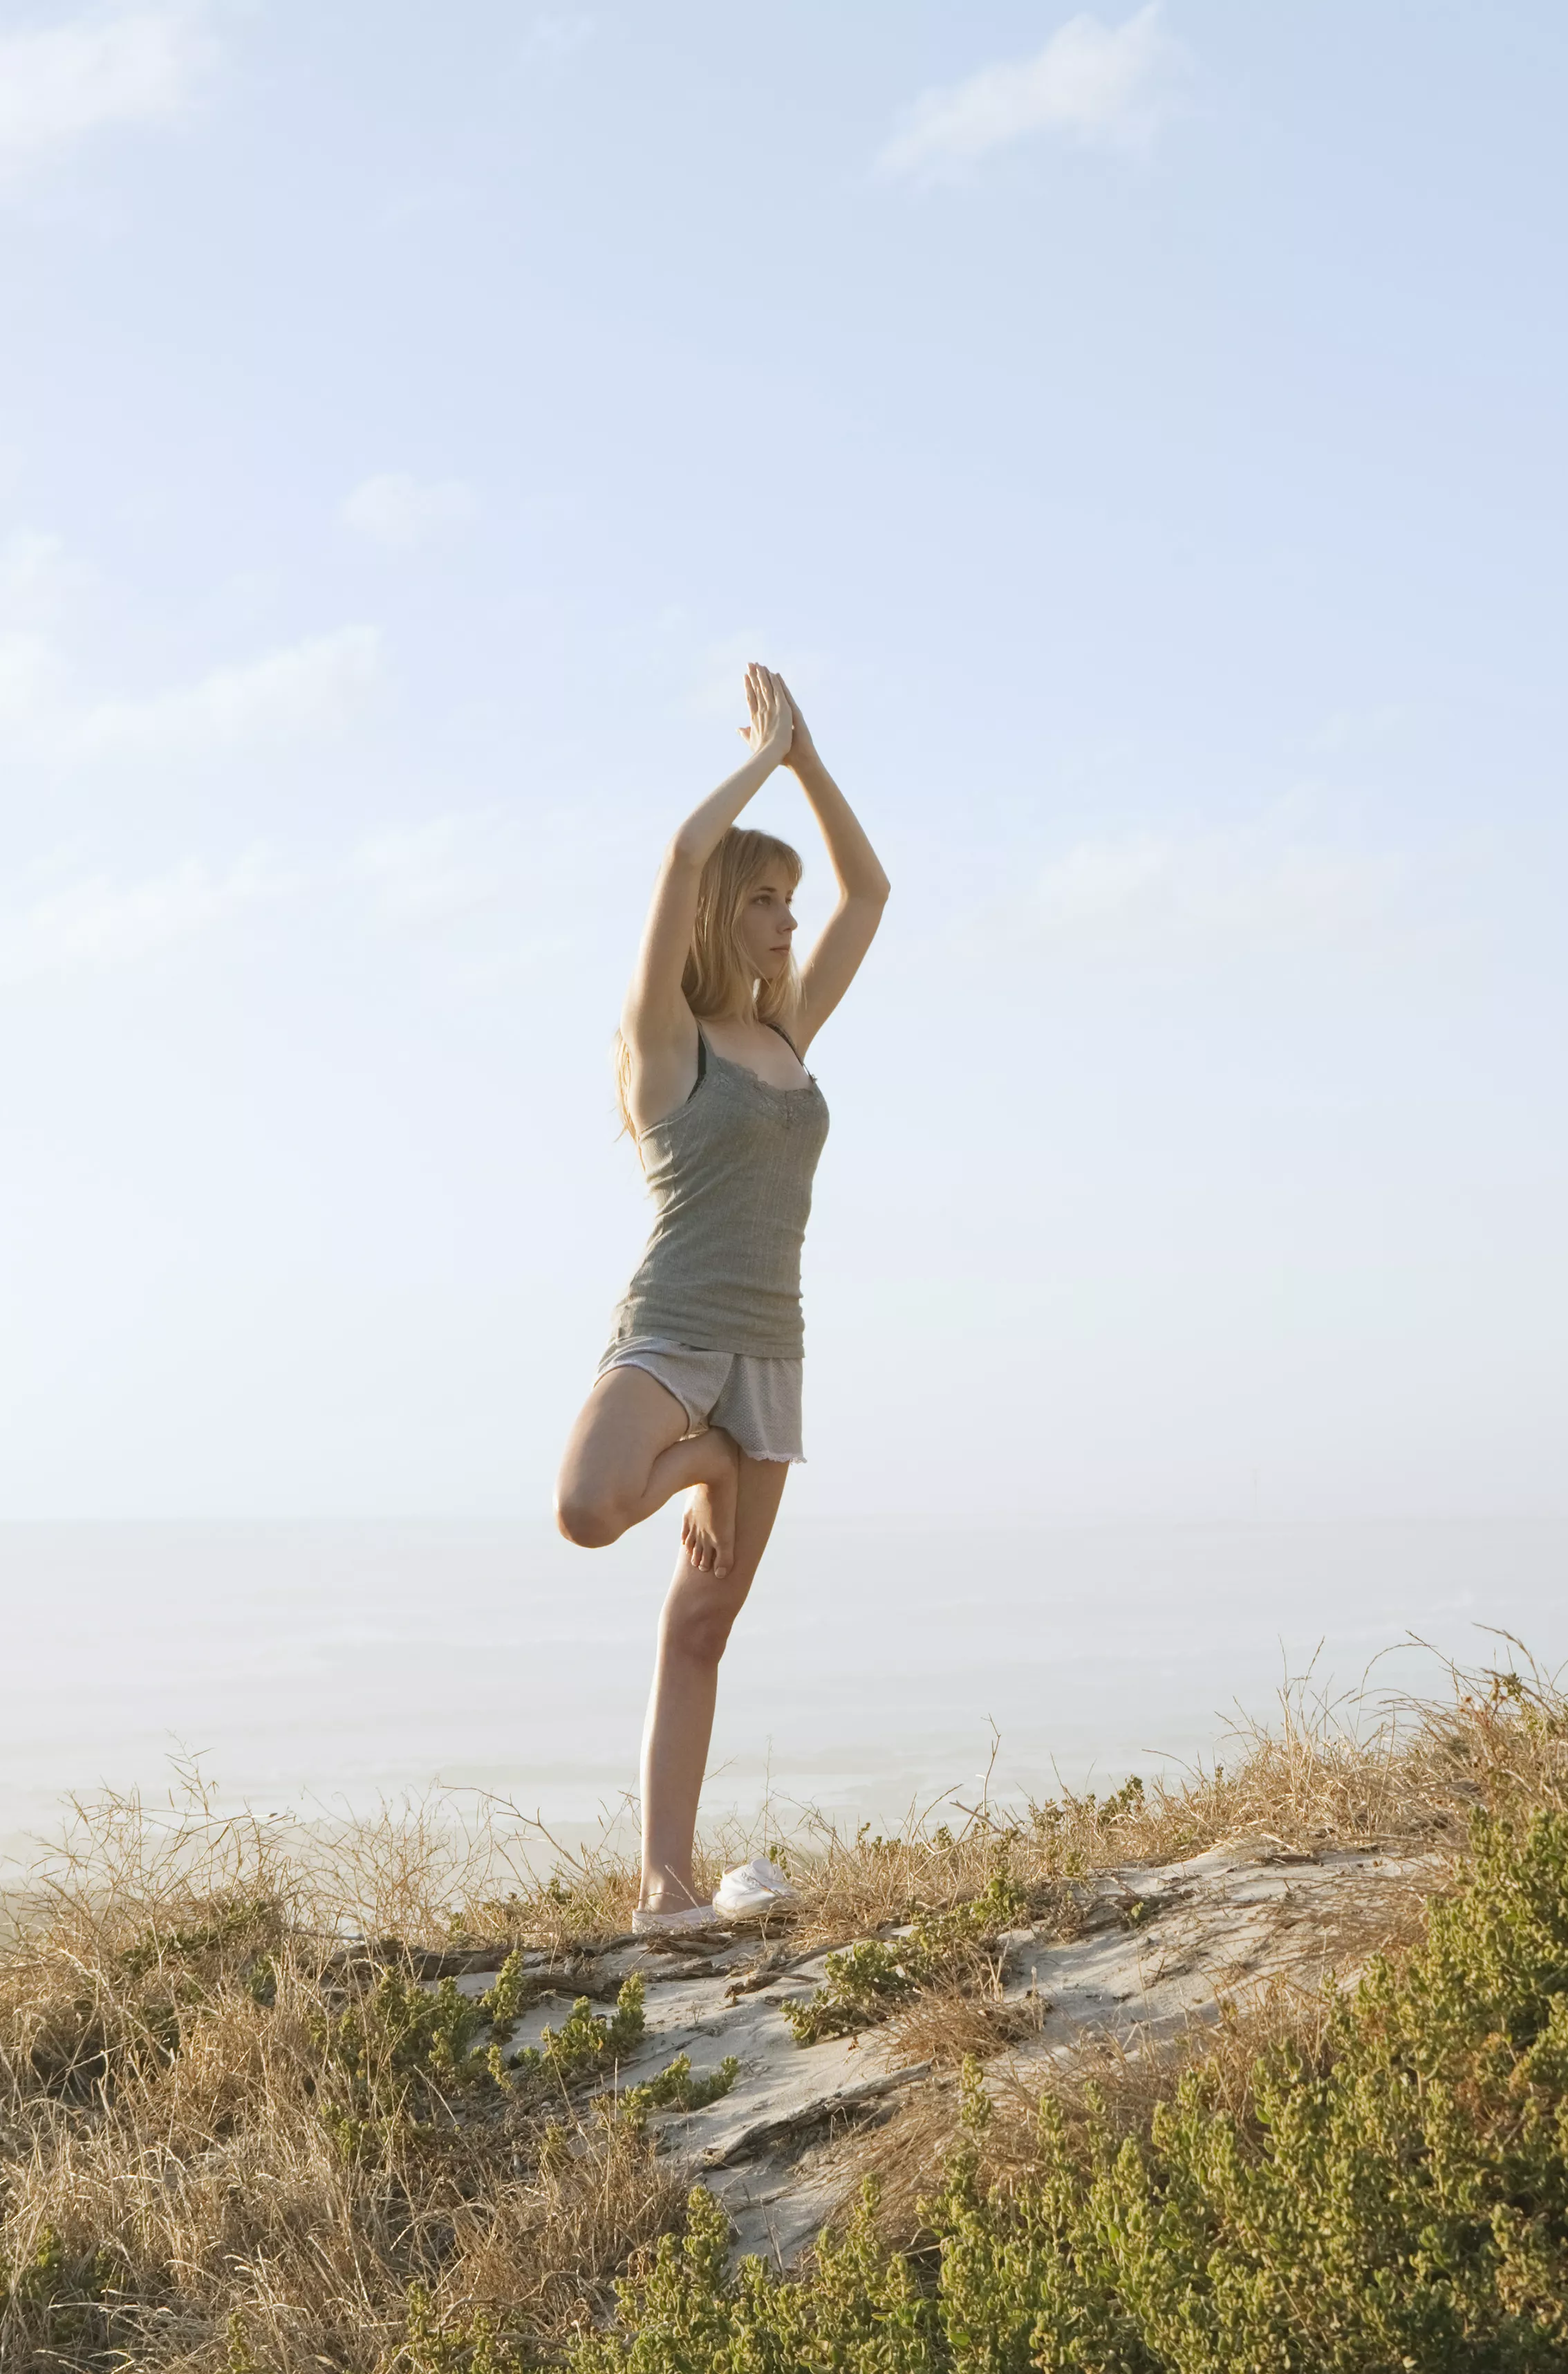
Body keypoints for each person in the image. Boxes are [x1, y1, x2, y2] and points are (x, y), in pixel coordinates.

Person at [553, 663, 888, 1931]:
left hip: (770, 1354)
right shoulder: (664, 1042)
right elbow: (679, 852)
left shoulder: (789, 1034)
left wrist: (809, 767)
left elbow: (872, 893)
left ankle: (666, 1885)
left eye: (786, 902)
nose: (787, 920)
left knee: (700, 1629)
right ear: (714, 915)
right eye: (762, 899)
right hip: (674, 1333)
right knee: (588, 1509)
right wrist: (762, 755)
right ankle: (698, 1463)